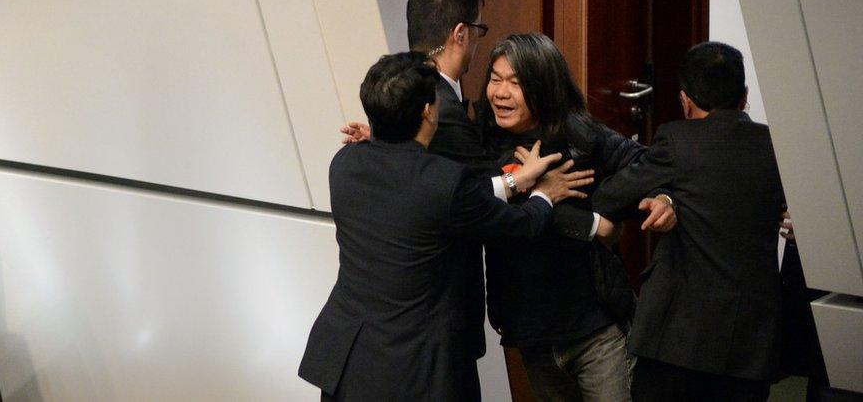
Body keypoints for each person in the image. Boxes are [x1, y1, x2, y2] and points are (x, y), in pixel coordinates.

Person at [300, 52, 594, 401]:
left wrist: (516, 181)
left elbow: (437, 197)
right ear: (427, 111)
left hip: (350, 362)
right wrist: (545, 193)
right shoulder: (444, 182)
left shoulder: (346, 162)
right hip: (418, 369)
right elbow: (521, 224)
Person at [478, 33, 675, 401]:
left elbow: (650, 164)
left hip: (595, 326)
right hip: (531, 329)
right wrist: (583, 222)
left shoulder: (578, 134)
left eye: (516, 83)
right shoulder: (482, 139)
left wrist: (657, 198)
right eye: (495, 78)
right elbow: (475, 204)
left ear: (543, 86)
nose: (500, 93)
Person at [593, 42, 785, 401]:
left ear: (685, 100)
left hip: (679, 340)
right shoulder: (775, 146)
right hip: (751, 343)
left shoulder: (678, 140)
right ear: (744, 96)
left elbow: (609, 198)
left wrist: (667, 195)